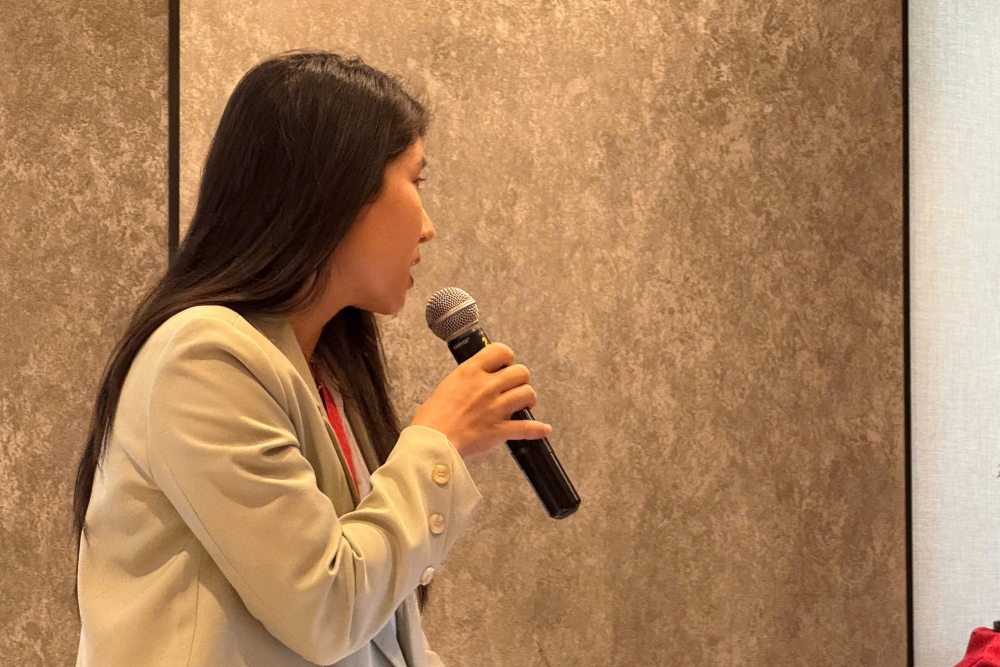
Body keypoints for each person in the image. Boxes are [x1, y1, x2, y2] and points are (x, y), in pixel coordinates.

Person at [72, 50, 552, 667]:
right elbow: (328, 609)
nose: (428, 226)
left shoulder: (320, 366)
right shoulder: (203, 357)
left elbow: (376, 630)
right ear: (336, 192)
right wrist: (438, 442)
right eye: (416, 181)